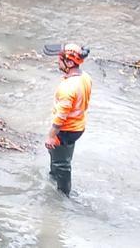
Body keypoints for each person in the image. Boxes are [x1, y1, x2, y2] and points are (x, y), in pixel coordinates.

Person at [46, 43, 92, 197]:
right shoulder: (85, 77)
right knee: (61, 156)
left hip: (66, 129)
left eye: (60, 60)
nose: (57, 62)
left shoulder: (68, 88)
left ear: (70, 63)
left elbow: (60, 118)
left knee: (62, 165)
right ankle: (53, 177)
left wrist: (51, 136)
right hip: (78, 125)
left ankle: (63, 196)